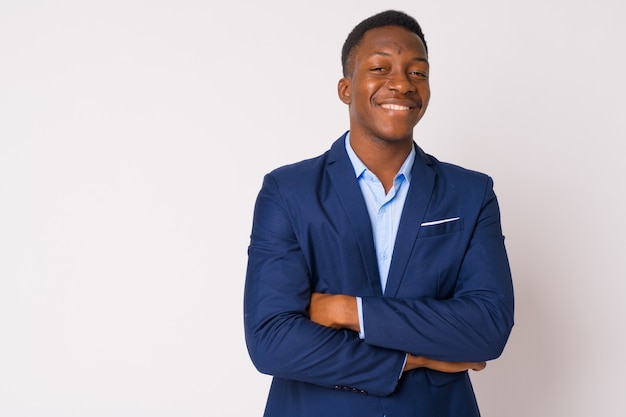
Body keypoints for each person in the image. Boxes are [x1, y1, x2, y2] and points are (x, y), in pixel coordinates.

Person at [244, 9, 514, 417]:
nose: (402, 83)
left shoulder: (471, 193)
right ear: (346, 88)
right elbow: (272, 341)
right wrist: (415, 358)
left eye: (417, 72)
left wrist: (347, 311)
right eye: (380, 67)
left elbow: (487, 327)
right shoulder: (289, 191)